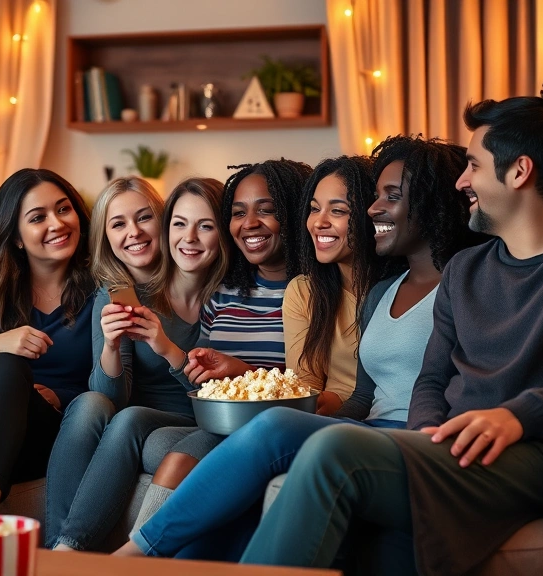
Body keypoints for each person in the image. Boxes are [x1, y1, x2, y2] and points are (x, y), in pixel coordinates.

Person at [241, 72, 543, 576]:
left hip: (534, 453)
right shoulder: (467, 268)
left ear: (519, 171)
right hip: (449, 447)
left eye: (474, 165)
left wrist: (518, 415)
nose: (462, 181)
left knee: (333, 447)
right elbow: (432, 378)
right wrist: (424, 440)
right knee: (351, 514)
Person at [117, 139, 482, 563]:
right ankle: (148, 561)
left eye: (343, 208)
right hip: (369, 426)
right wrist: (306, 411)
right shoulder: (381, 294)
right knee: (257, 442)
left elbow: (448, 382)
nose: (373, 210)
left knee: (269, 432)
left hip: (412, 438)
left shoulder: (467, 280)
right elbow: (361, 397)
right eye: (314, 208)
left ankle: (133, 554)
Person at [46, 178, 228, 551]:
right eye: (118, 224)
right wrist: (111, 346)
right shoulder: (118, 294)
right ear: (105, 237)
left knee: (127, 419)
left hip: (198, 416)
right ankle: (60, 549)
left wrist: (165, 346)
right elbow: (111, 399)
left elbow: (224, 387)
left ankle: (66, 551)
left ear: (163, 221)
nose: (134, 232)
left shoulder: (215, 283)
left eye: (145, 218)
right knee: (91, 404)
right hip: (138, 417)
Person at [132, 159, 313, 531]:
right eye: (238, 213)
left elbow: (312, 384)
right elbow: (203, 383)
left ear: (294, 214)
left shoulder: (311, 292)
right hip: (223, 421)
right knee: (149, 439)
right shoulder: (223, 295)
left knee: (175, 459)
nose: (249, 224)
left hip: (275, 424)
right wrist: (193, 362)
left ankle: (134, 557)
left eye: (266, 210)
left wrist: (242, 372)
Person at [0, 168, 96, 515]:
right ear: (16, 237)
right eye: (38, 217)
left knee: (13, 369)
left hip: (52, 434)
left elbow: (115, 379)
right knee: (8, 363)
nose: (57, 224)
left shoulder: (99, 290)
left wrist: (61, 396)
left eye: (63, 209)